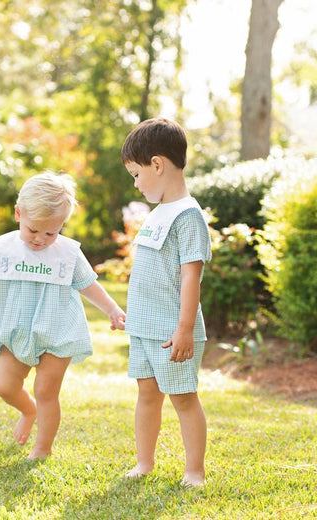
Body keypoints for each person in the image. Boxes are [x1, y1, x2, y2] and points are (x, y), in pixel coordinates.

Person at [0, 171, 126, 460]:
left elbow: (89, 285)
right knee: (4, 386)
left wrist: (113, 310)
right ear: (18, 214)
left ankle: (42, 448)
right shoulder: (4, 248)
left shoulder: (67, 253)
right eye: (33, 230)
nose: (41, 239)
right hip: (17, 331)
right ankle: (29, 411)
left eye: (51, 232)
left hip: (58, 331)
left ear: (61, 226)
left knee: (46, 391)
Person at [121, 118, 211, 486]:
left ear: (157, 164)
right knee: (147, 393)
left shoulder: (188, 216)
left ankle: (195, 470)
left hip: (172, 332)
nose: (136, 183)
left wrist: (185, 329)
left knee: (183, 398)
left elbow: (191, 276)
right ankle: (145, 462)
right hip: (144, 327)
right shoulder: (157, 214)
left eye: (135, 174)